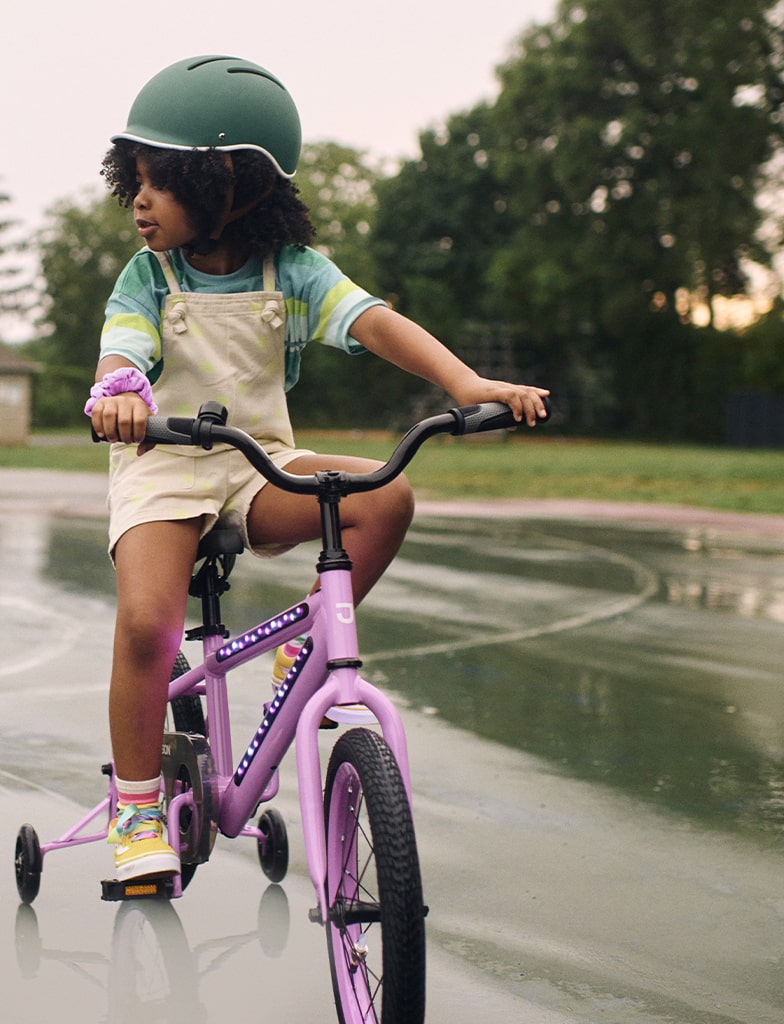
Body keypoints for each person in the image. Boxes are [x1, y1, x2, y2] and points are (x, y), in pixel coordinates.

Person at [87, 55, 549, 881]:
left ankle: (304, 647)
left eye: (163, 181)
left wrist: (466, 385)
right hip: (164, 467)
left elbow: (372, 321)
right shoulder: (146, 277)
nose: (141, 200)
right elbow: (126, 345)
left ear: (229, 186)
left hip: (259, 465)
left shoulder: (293, 271)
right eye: (138, 179)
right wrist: (119, 392)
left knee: (385, 494)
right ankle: (135, 802)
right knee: (147, 625)